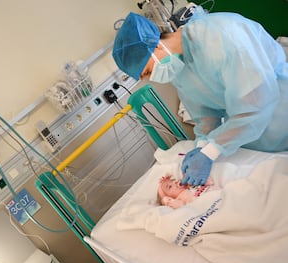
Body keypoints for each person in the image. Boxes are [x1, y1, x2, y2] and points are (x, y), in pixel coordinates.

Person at [112, 7, 288, 186]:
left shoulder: (224, 35)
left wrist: (211, 151)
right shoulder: (178, 67)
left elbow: (257, 106)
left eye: (148, 71)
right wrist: (202, 145)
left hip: (280, 113)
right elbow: (205, 114)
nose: (153, 78)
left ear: (156, 45)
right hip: (250, 137)